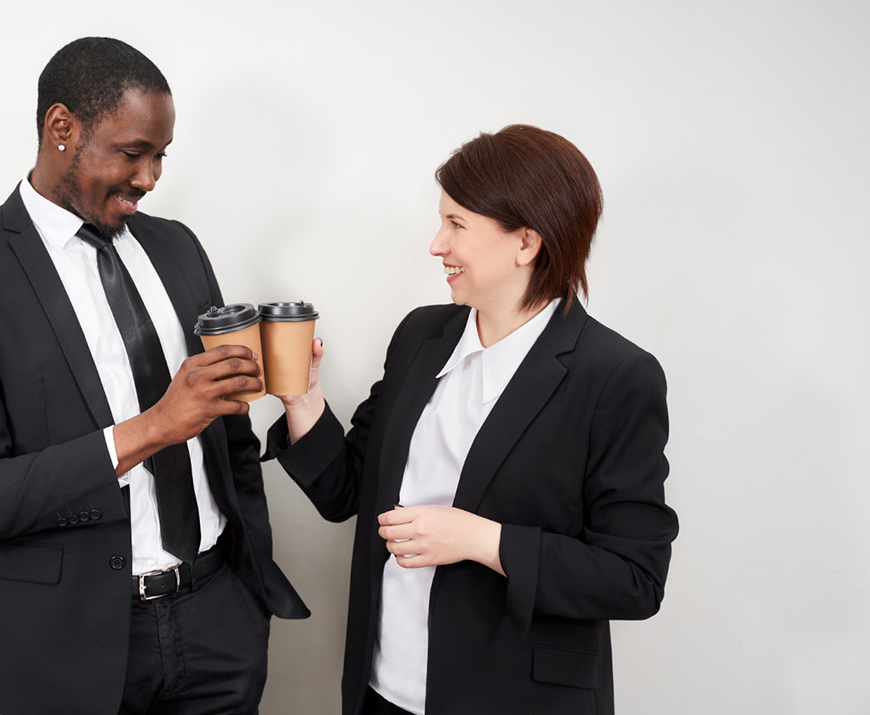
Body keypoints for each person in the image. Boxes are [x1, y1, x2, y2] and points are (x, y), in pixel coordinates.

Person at [0, 37, 308, 715]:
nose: (151, 177)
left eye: (161, 156)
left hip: (218, 624)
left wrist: (245, 589)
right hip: (67, 649)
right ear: (61, 127)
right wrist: (152, 428)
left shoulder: (176, 245)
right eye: (132, 153)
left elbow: (228, 434)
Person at [267, 125, 679, 714]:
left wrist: (484, 541)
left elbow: (634, 577)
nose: (437, 245)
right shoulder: (420, 336)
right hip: (383, 690)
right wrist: (302, 398)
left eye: (457, 224)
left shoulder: (615, 377)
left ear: (526, 243)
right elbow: (347, 491)